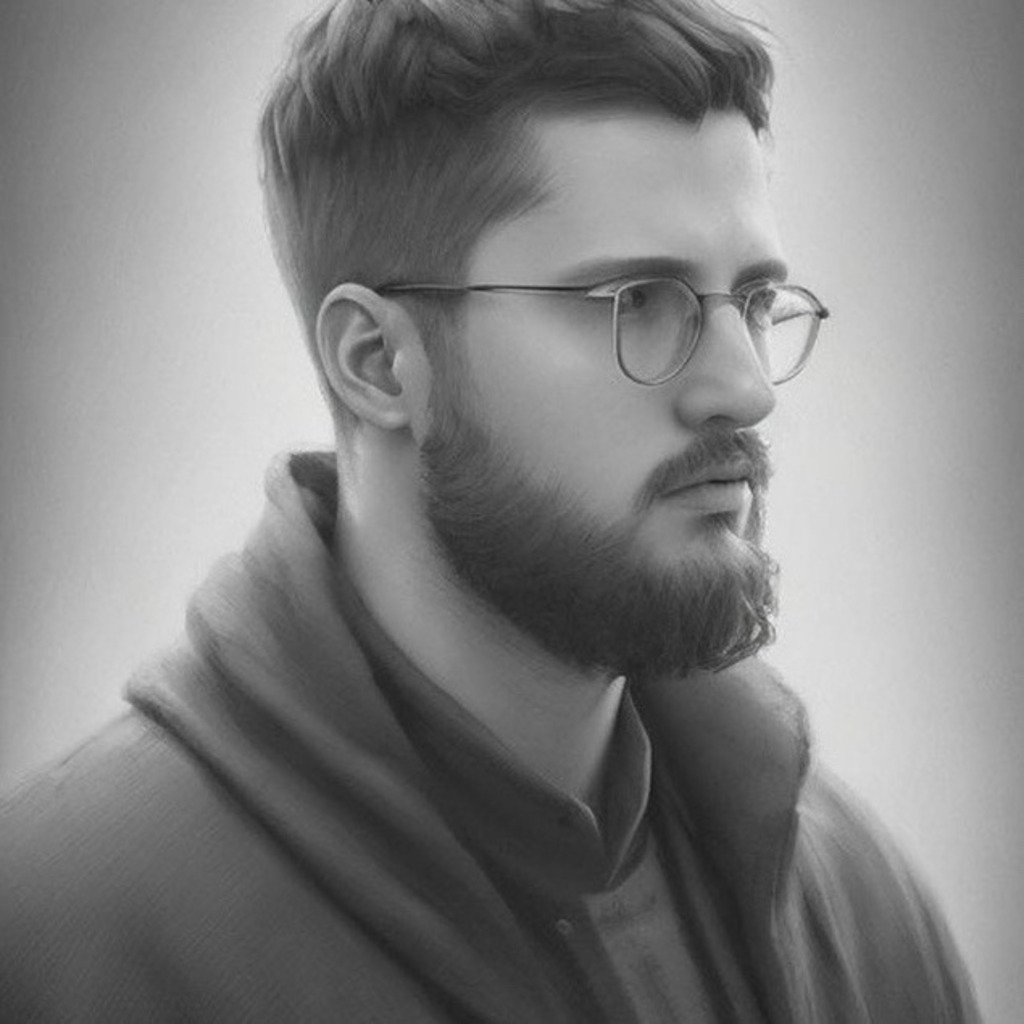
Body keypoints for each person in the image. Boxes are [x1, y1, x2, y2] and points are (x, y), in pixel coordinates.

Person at [0, 0, 980, 1020]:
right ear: (378, 362)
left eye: (756, 301)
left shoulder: (854, 905)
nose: (746, 389)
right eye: (638, 301)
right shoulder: (61, 946)